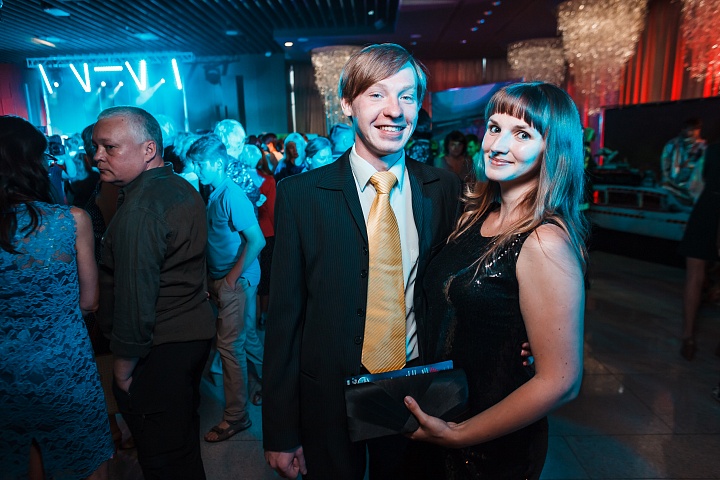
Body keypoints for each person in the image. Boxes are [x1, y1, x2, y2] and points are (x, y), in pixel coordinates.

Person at [262, 43, 462, 480]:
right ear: (347, 104)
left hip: (415, 390)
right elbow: (284, 321)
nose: (394, 110)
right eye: (377, 94)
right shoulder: (301, 195)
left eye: (407, 96)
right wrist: (280, 430)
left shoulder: (443, 188)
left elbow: (457, 288)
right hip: (328, 397)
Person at [404, 82, 586, 479]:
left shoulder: (544, 241)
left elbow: (561, 380)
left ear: (553, 150)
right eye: (494, 128)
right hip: (442, 419)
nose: (498, 145)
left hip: (488, 448)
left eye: (522, 134)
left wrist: (460, 435)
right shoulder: (476, 216)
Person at [92, 106, 216, 479]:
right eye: (96, 147)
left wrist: (123, 369)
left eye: (109, 147)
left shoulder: (143, 208)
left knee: (164, 460)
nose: (97, 156)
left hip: (159, 347)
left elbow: (135, 299)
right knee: (181, 448)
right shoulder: (178, 186)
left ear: (148, 150)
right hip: (188, 336)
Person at [0, 115, 113, 479]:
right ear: (31, 164)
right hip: (63, 362)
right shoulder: (71, 220)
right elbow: (90, 302)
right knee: (88, 459)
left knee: (22, 459)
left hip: (6, 373)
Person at [186, 134, 266, 440]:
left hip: (238, 279)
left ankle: (236, 416)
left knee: (230, 346)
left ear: (218, 163)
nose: (196, 169)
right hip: (227, 278)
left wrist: (230, 279)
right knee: (245, 340)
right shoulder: (215, 192)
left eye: (200, 163)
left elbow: (257, 241)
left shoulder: (231, 194)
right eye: (194, 163)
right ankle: (274, 384)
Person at [677, 142, 720, 360]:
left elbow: (693, 187)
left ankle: (688, 339)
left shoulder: (710, 150)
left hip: (707, 207)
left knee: (694, 277)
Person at [660, 118, 707, 202]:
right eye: (691, 128)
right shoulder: (672, 144)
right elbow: (665, 165)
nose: (694, 132)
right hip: (672, 188)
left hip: (692, 192)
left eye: (697, 129)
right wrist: (668, 181)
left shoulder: (703, 147)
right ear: (684, 129)